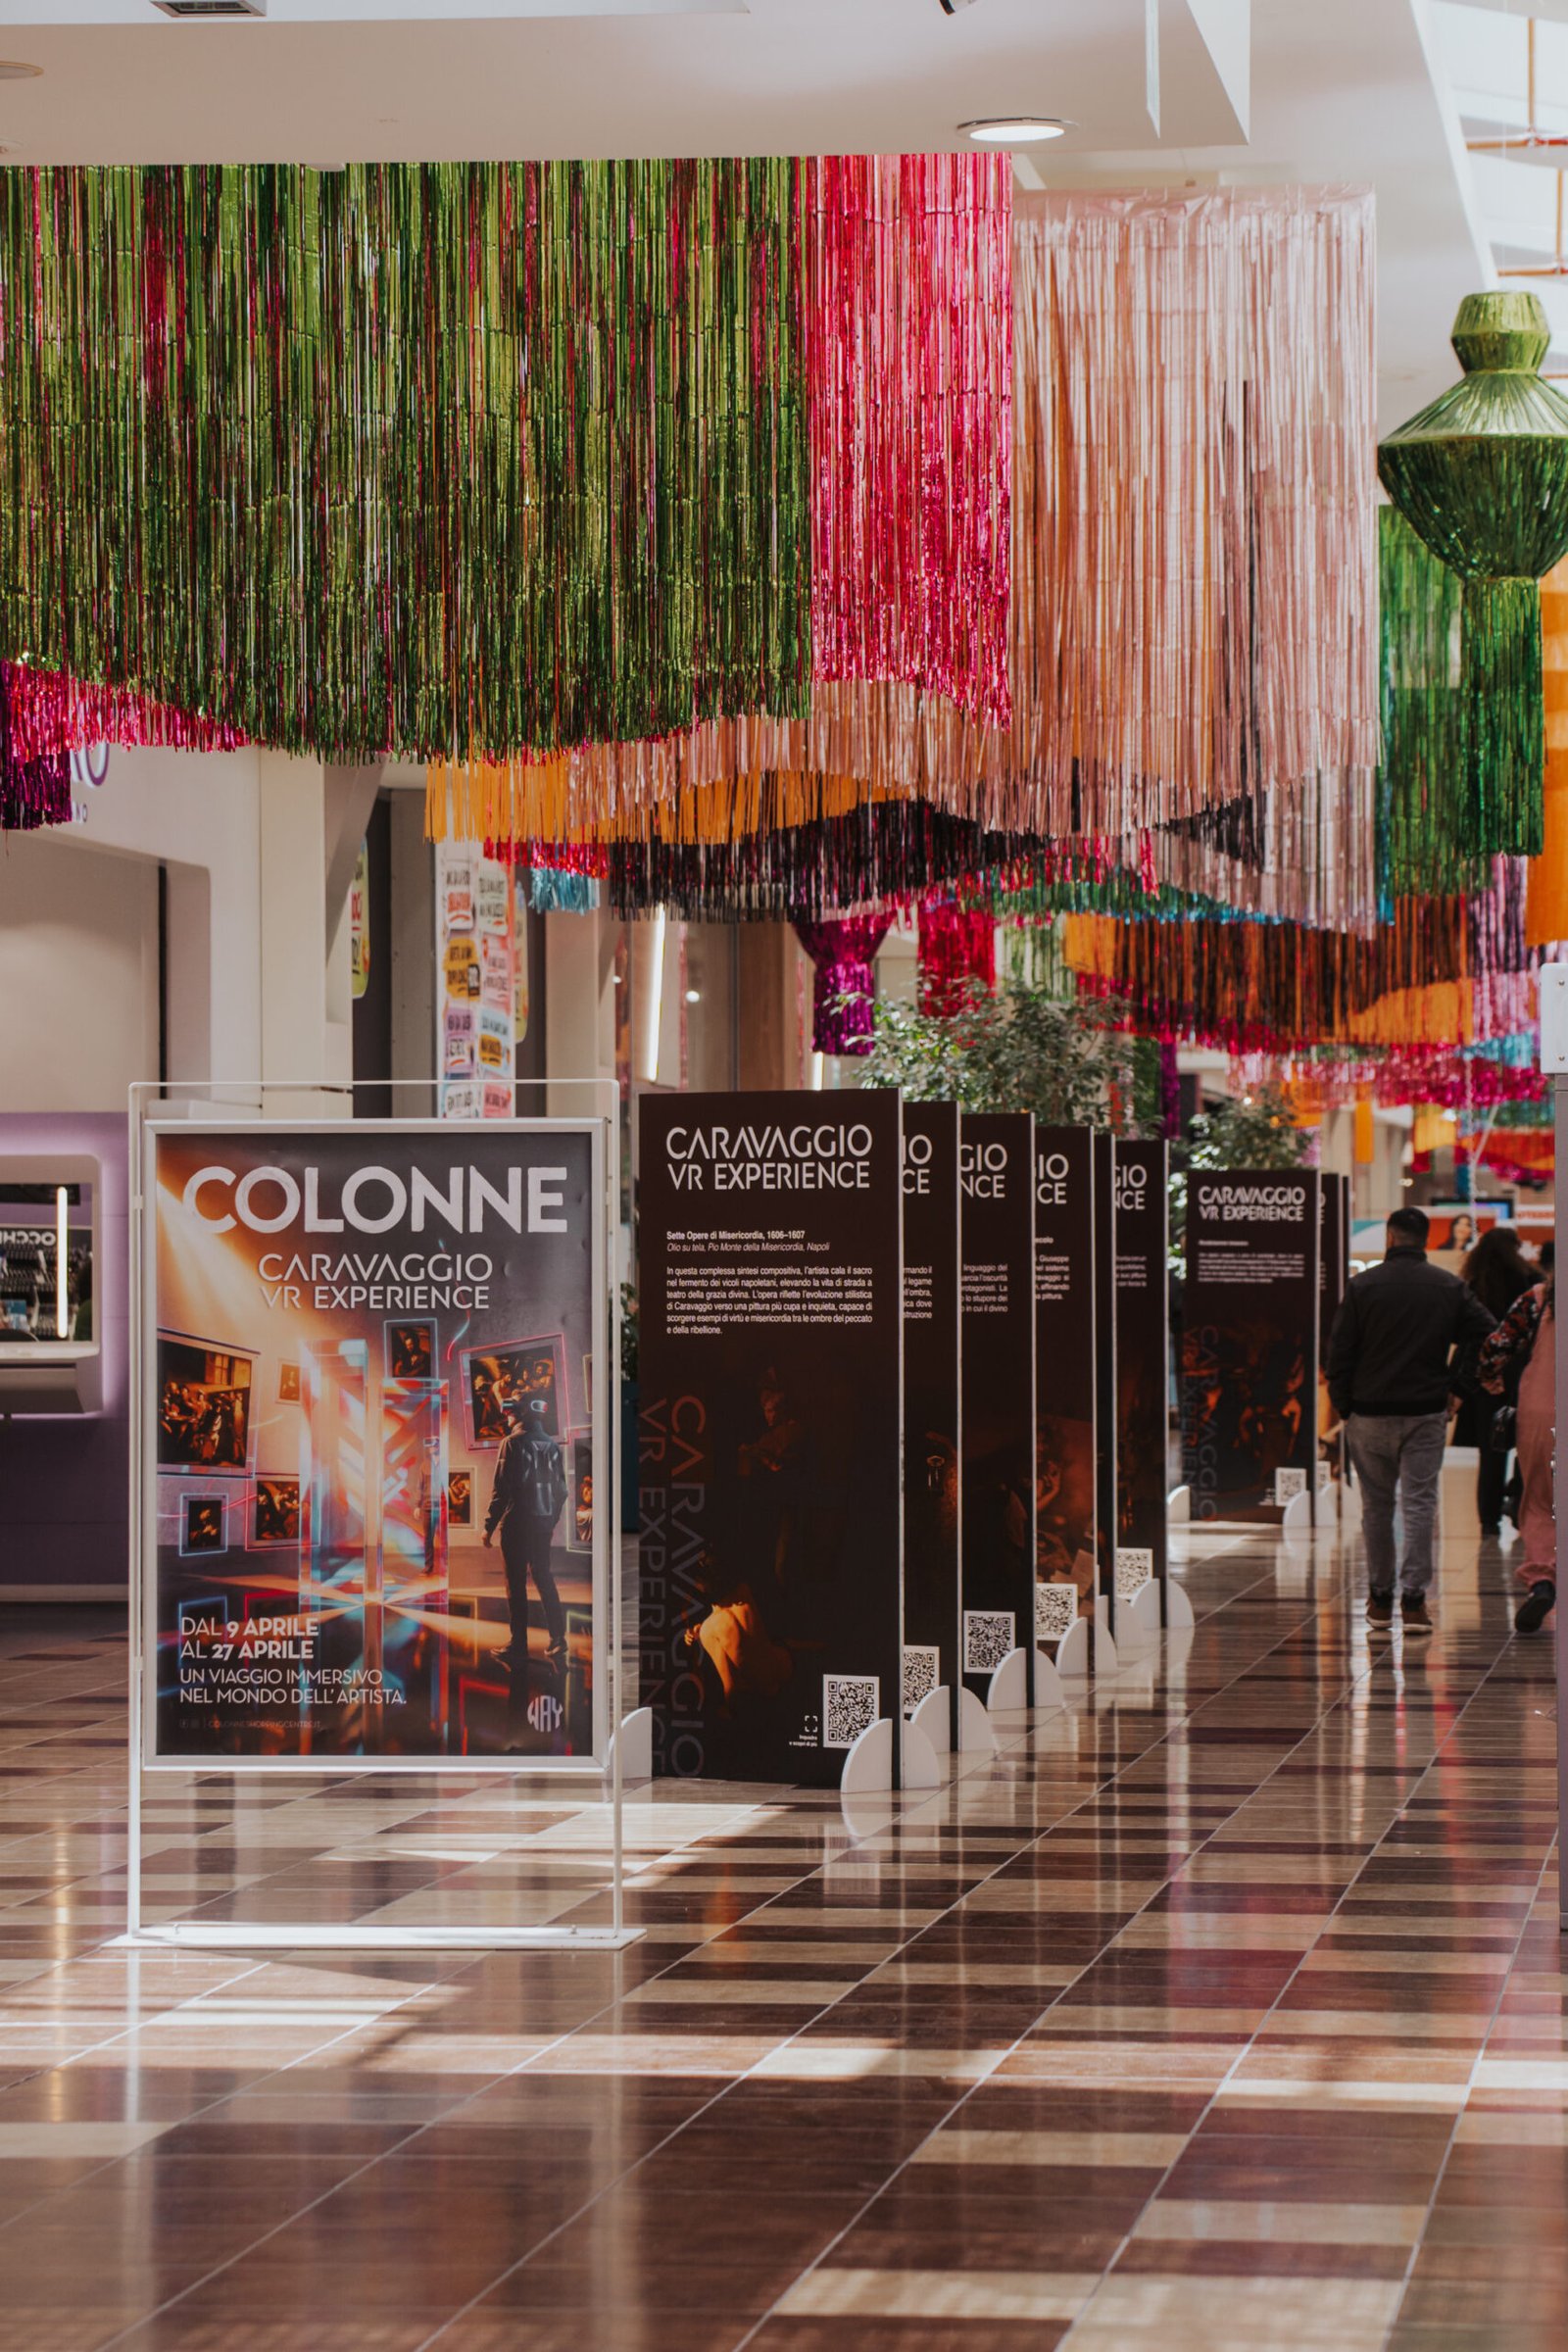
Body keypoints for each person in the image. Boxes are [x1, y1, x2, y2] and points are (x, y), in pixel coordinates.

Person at [1326, 1204, 1495, 1634]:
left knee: (1376, 1507)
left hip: (1369, 1412)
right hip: (1425, 1411)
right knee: (1420, 1504)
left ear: (1389, 1237)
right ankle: (1415, 1602)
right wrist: (1459, 1386)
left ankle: (1380, 1600)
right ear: (1425, 1240)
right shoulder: (1448, 1286)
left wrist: (1345, 1405)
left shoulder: (1362, 1287)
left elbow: (1340, 1351)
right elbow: (1487, 1332)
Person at [1481, 1275, 1556, 1636]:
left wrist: (1489, 1375)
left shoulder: (1539, 1298)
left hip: (1543, 1413)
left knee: (1540, 1501)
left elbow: (1497, 1344)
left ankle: (1542, 1582)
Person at [1460, 1224, 1536, 1534]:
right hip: (1525, 1376)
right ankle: (1518, 1502)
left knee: (1489, 1452)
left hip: (1486, 1376)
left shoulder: (1474, 1286)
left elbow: (1466, 1337)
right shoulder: (1531, 1283)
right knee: (1527, 1448)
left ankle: (1488, 1520)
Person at [483, 1396, 568, 1671]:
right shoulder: (552, 1446)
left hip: (516, 1524)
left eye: (510, 1413)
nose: (507, 1417)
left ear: (520, 1414)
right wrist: (550, 1520)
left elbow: (501, 1490)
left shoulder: (511, 1443)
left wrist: (488, 1527)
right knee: (544, 1577)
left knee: (516, 1584)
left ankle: (518, 1644)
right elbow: (562, 1491)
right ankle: (558, 1639)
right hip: (543, 1526)